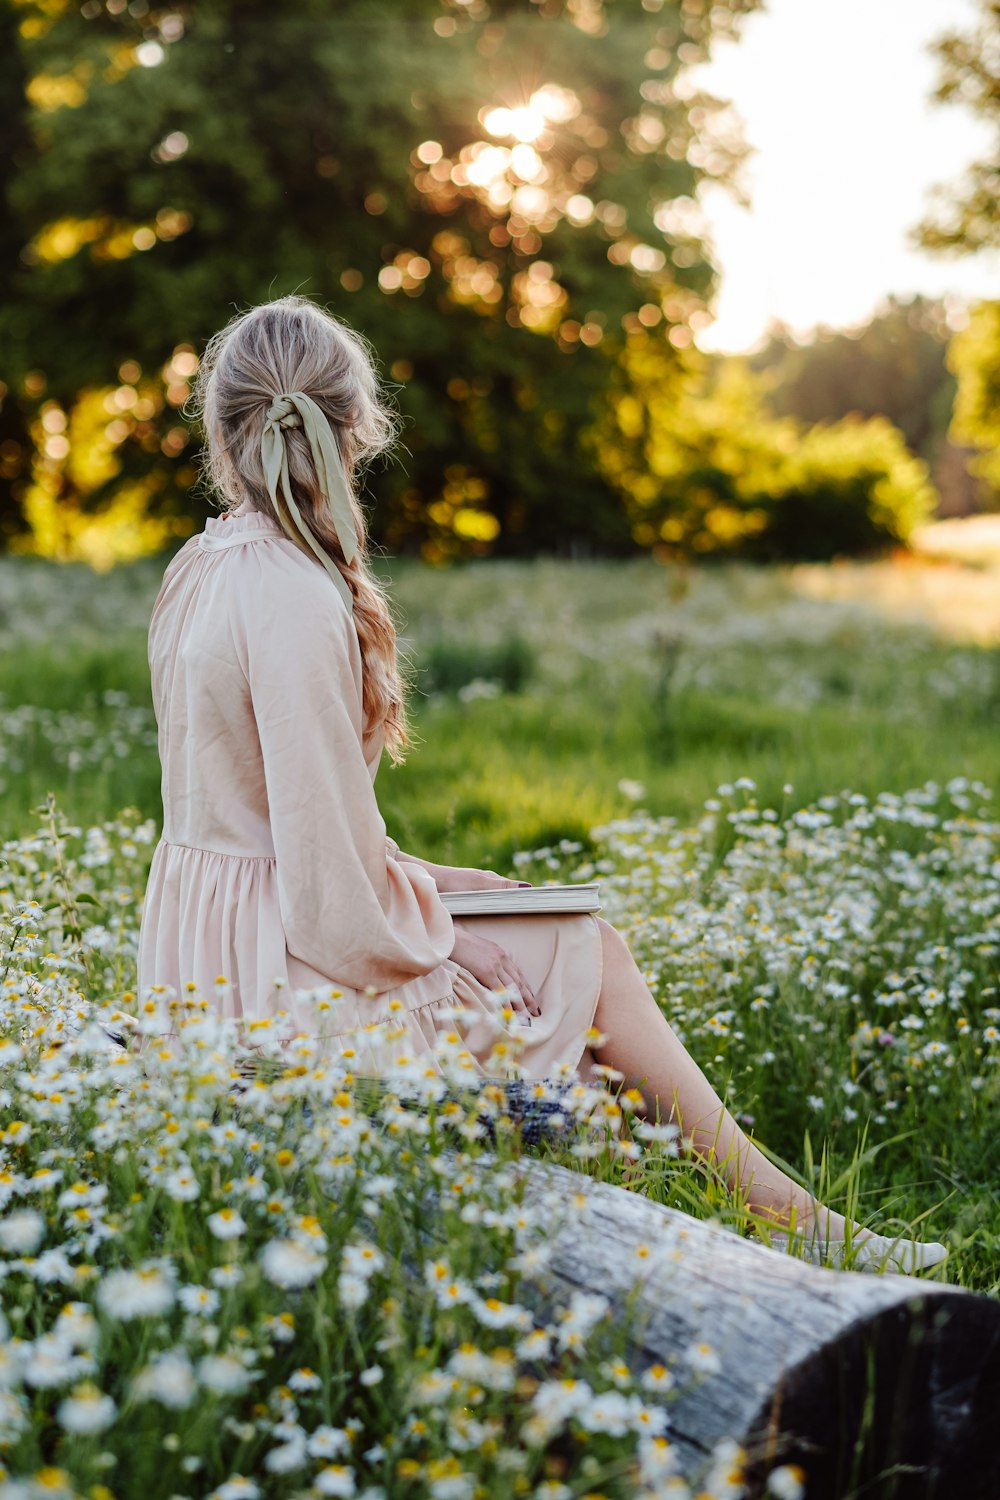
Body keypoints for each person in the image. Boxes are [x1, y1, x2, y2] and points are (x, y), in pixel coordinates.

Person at [136, 295, 946, 1276]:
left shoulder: (200, 565)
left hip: (203, 960)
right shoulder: (297, 594)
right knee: (582, 948)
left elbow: (266, 819)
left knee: (546, 930)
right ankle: (789, 1221)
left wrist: (446, 885)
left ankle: (701, 1228)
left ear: (223, 432)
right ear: (356, 429)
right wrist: (445, 933)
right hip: (287, 984)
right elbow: (325, 896)